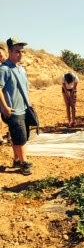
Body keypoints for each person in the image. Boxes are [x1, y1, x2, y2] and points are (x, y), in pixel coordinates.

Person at [0, 37, 33, 175]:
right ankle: (24, 163)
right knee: (21, 138)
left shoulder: (21, 68)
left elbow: (24, 88)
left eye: (21, 51)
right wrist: (5, 108)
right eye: (16, 51)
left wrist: (29, 104)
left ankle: (16, 160)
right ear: (9, 51)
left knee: (18, 136)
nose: (20, 54)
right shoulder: (4, 69)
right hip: (13, 110)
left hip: (24, 108)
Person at [0, 43, 8, 145]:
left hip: (8, 96)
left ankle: (11, 135)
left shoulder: (9, 65)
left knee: (10, 116)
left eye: (1, 55)